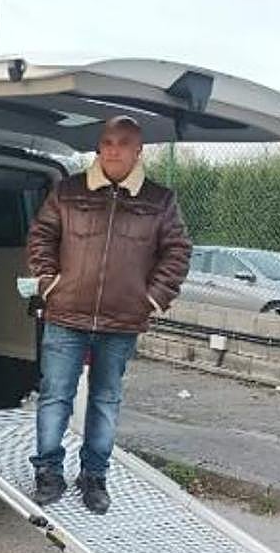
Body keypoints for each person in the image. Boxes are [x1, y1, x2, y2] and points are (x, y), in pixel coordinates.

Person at [26, 116, 191, 514]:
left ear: (139, 151)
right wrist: (49, 285)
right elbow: (41, 238)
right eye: (107, 142)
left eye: (123, 143)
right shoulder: (67, 192)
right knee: (55, 398)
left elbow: (178, 251)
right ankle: (48, 472)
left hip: (122, 323)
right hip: (65, 315)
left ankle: (94, 477)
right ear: (99, 148)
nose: (113, 150)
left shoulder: (160, 201)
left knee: (105, 401)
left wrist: (150, 300)